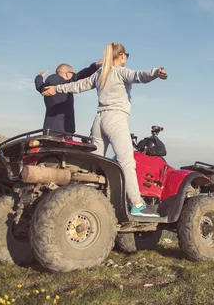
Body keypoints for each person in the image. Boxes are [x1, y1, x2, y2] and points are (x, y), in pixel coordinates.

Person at [41, 43, 167, 217]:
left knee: (94, 164)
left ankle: (85, 201)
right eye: (126, 56)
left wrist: (57, 88)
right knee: (127, 162)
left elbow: (77, 85)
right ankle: (137, 203)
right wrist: (155, 73)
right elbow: (138, 76)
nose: (126, 59)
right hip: (115, 119)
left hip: (98, 121)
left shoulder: (101, 74)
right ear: (121, 56)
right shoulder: (120, 71)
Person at [34, 60, 102, 135]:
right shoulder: (60, 84)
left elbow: (39, 86)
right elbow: (78, 77)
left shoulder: (48, 89)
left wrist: (39, 77)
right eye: (73, 73)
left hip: (48, 130)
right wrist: (95, 66)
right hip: (61, 132)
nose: (73, 75)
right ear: (67, 74)